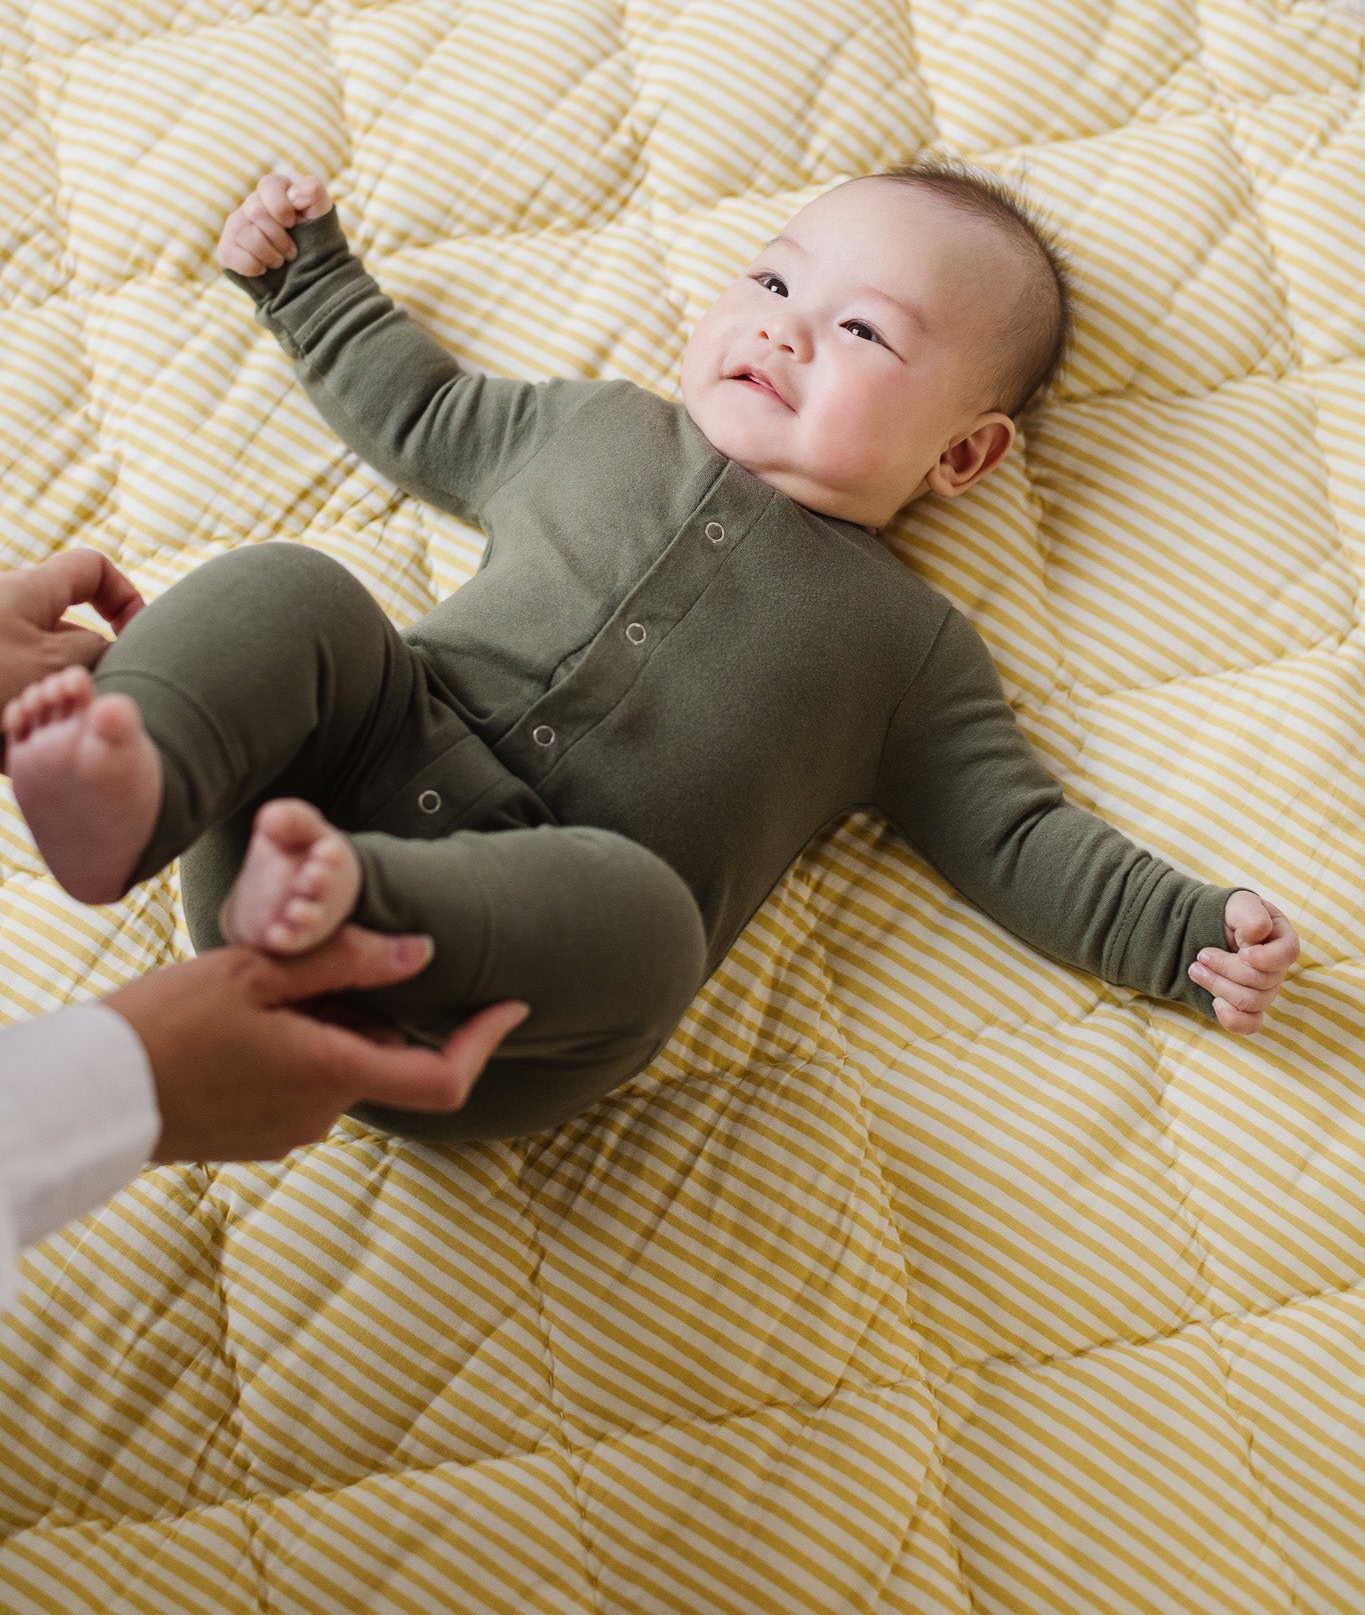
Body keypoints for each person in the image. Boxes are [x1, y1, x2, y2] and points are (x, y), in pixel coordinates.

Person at [1, 164, 1300, 1145]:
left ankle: (364, 904)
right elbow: (426, 410)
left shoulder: (912, 654)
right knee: (297, 593)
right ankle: (138, 771)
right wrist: (308, 283)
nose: (786, 329)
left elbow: (1015, 833)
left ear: (961, 454)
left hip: (501, 1004)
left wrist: (1181, 934)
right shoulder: (595, 429)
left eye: (863, 332)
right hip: (307, 807)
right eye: (775, 284)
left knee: (651, 926)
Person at [0, 551, 528, 1309]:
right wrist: (125, 1081)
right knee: (291, 592)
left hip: (351, 832)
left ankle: (137, 777)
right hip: (449, 842)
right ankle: (134, 796)